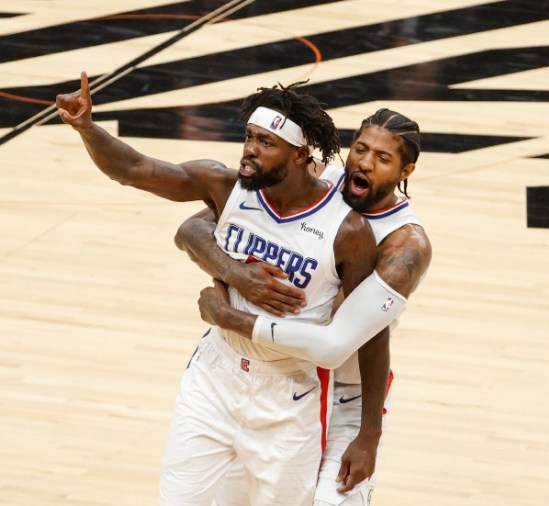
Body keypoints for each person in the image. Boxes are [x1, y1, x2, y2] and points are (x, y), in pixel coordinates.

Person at [55, 73, 406, 506]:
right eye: (249, 137)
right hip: (214, 375)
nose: (250, 151)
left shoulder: (347, 230)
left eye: (265, 143)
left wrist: (369, 431)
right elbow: (134, 170)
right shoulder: (226, 187)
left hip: (288, 390)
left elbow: (370, 334)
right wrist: (87, 127)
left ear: (299, 155)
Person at [174, 108, 431, 506]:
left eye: (382, 158)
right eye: (360, 149)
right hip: (291, 378)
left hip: (349, 391)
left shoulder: (405, 246)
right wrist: (238, 275)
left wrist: (369, 435)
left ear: (405, 171)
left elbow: (347, 342)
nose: (364, 162)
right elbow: (196, 227)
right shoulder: (314, 185)